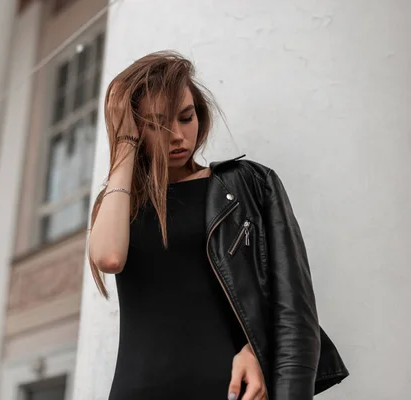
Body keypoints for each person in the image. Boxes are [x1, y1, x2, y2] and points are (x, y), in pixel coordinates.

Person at [88, 51, 348, 400]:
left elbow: (293, 305)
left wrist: (257, 349)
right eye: (156, 125)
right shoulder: (119, 202)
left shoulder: (246, 185)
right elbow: (108, 258)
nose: (178, 136)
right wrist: (123, 147)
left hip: (228, 389)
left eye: (186, 117)